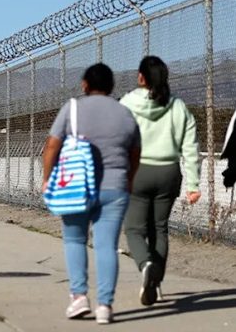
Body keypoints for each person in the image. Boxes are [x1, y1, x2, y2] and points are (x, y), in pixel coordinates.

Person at [43, 63, 140, 324]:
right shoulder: (125, 113)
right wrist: (129, 179)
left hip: (76, 186)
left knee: (74, 240)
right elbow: (135, 152)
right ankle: (105, 305)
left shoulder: (72, 108)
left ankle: (79, 297)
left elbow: (52, 146)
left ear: (85, 84)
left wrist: (47, 179)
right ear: (111, 86)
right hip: (115, 186)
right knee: (106, 246)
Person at [120, 55, 201, 306]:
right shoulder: (178, 107)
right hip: (169, 172)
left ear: (141, 77)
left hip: (138, 171)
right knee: (160, 229)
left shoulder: (128, 103)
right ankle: (154, 283)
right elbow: (190, 146)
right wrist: (193, 184)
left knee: (134, 229)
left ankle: (146, 264)